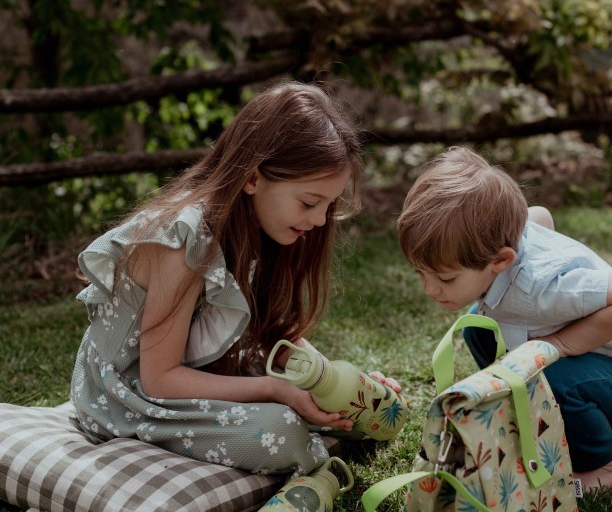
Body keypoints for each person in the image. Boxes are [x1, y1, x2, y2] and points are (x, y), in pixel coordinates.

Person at [71, 81, 400, 475]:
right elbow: (159, 379)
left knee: (333, 411)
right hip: (128, 394)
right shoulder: (183, 241)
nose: (318, 220)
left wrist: (335, 383)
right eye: (310, 202)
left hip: (202, 369)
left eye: (328, 206)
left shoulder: (257, 225)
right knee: (283, 432)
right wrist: (274, 389)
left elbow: (267, 333)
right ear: (253, 178)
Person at [397, 146, 612, 493]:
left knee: (555, 380)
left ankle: (605, 463)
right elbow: (540, 215)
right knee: (478, 329)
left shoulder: (543, 289)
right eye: (420, 273)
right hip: (594, 355)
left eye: (445, 279)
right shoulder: (507, 238)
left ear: (501, 260)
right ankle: (525, 409)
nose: (429, 289)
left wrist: (560, 345)